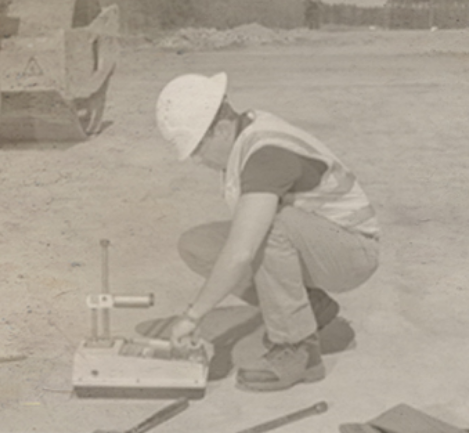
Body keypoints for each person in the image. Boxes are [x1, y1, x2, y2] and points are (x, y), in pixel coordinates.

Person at [146, 72, 381, 392]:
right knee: (198, 244)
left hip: (352, 250)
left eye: (198, 149)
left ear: (221, 128)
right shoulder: (246, 137)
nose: (197, 160)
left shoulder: (265, 153)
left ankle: (298, 351)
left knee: (264, 230)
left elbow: (244, 249)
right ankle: (310, 308)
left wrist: (192, 316)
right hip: (318, 240)